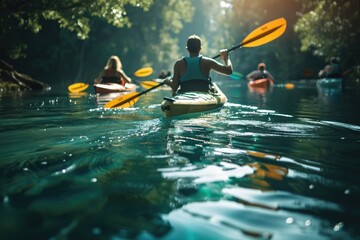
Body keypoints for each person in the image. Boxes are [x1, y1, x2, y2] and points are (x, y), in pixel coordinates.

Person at [164, 35, 232, 95]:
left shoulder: (178, 64)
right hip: (204, 96)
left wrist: (168, 82)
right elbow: (229, 71)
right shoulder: (207, 62)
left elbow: (174, 87)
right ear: (200, 49)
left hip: (184, 96)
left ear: (187, 49)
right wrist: (226, 58)